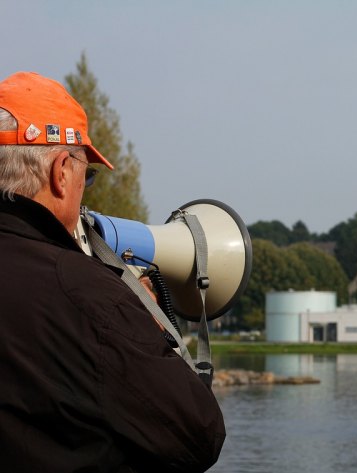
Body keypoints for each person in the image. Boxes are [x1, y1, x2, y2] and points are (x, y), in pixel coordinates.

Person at [0, 71, 225, 471]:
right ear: (60, 172)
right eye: (86, 173)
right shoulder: (89, 297)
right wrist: (141, 317)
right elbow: (199, 435)